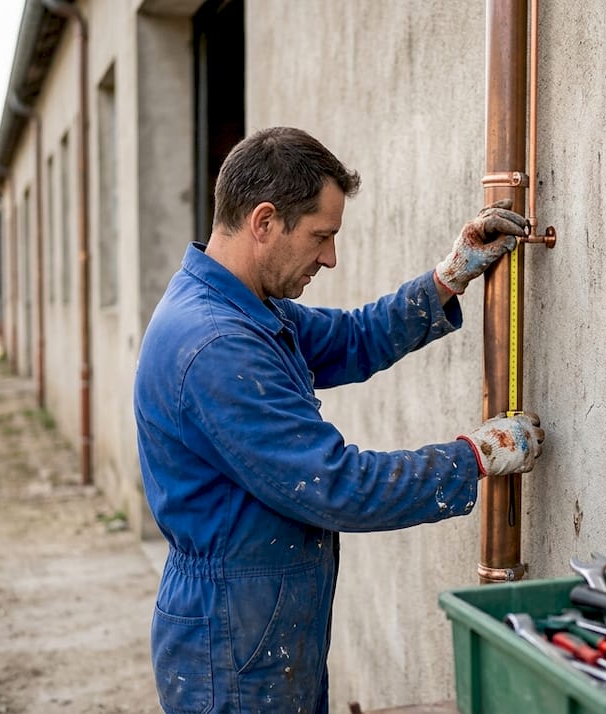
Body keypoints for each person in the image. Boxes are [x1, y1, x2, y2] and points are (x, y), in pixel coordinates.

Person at [133, 126, 546, 713]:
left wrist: (448, 277)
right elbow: (337, 486)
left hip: (257, 624)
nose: (330, 257)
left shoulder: (248, 310)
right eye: (320, 236)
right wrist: (475, 456)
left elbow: (351, 337)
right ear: (264, 221)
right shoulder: (217, 347)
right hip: (231, 646)